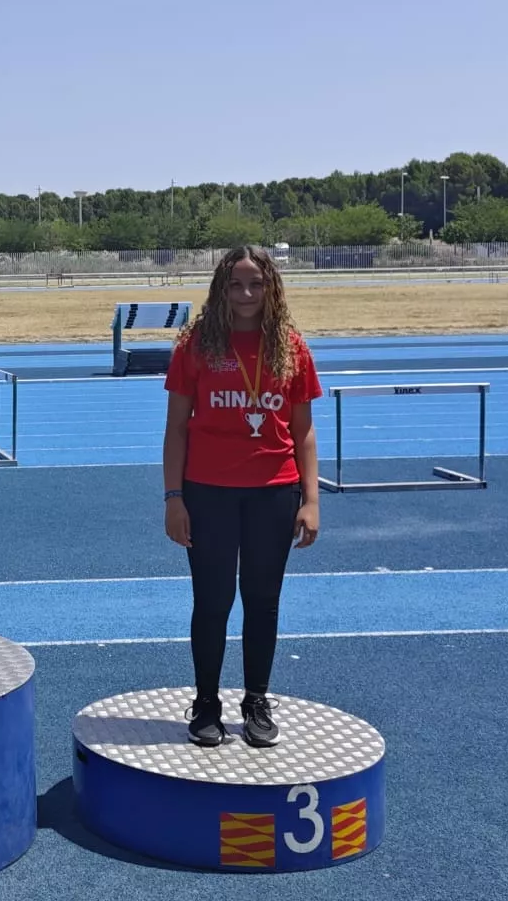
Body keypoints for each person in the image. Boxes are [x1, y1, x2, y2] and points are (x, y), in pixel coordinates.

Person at [161, 245, 322, 749]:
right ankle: (206, 701)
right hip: (207, 493)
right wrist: (173, 498)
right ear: (221, 289)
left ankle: (256, 699)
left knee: (262, 601)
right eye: (236, 284)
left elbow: (305, 433)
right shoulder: (197, 344)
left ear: (271, 287)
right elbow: (176, 431)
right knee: (211, 601)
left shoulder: (291, 347)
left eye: (256, 284)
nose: (247, 294)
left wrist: (311, 500)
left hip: (273, 493)